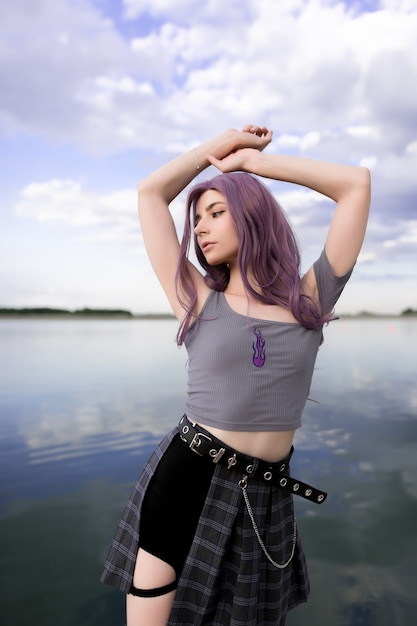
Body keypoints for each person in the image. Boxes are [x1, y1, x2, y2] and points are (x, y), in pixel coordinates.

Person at [101, 125, 371, 626]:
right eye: (197, 218)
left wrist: (250, 165)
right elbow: (150, 193)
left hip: (268, 493)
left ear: (252, 216)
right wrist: (214, 149)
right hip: (187, 477)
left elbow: (355, 184)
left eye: (217, 212)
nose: (200, 227)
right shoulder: (198, 299)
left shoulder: (310, 299)